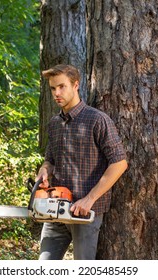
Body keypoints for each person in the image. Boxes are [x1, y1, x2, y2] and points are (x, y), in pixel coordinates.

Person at [35, 64, 128, 260]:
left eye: (62, 87)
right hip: (56, 207)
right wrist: (44, 171)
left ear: (75, 85)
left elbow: (119, 163)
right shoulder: (54, 123)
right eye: (52, 88)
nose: (56, 93)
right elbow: (50, 160)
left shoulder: (97, 120)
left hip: (85, 211)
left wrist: (90, 199)